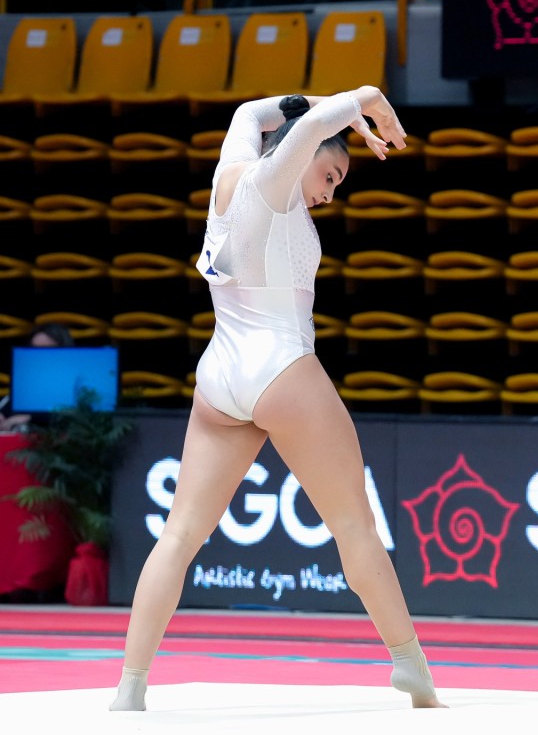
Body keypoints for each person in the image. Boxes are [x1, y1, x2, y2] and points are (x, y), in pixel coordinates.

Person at [111, 89, 444, 711]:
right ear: (300, 153)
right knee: (354, 525)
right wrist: (370, 104)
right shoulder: (273, 180)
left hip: (220, 378)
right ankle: (411, 667)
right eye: (330, 174)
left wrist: (330, 113)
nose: (330, 192)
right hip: (281, 367)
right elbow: (310, 124)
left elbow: (253, 114)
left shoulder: (231, 168)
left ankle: (130, 687)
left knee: (179, 535)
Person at [0, 323, 76, 432]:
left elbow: (75, 416)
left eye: (47, 350)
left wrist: (30, 418)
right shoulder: (25, 387)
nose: (38, 356)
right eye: (34, 349)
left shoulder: (79, 386)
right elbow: (7, 409)